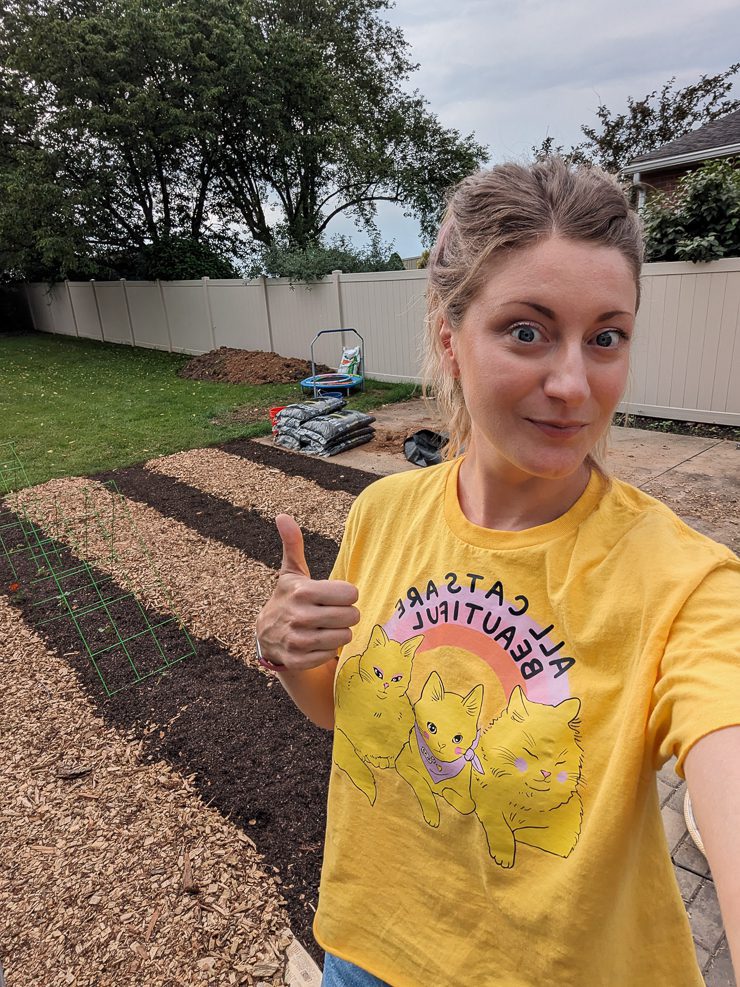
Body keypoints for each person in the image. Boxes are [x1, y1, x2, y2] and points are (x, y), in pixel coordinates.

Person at [255, 158, 740, 986]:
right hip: (364, 952)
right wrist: (296, 655)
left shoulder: (686, 581)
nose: (572, 384)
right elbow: (347, 716)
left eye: (606, 337)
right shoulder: (386, 513)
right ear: (450, 335)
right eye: (527, 329)